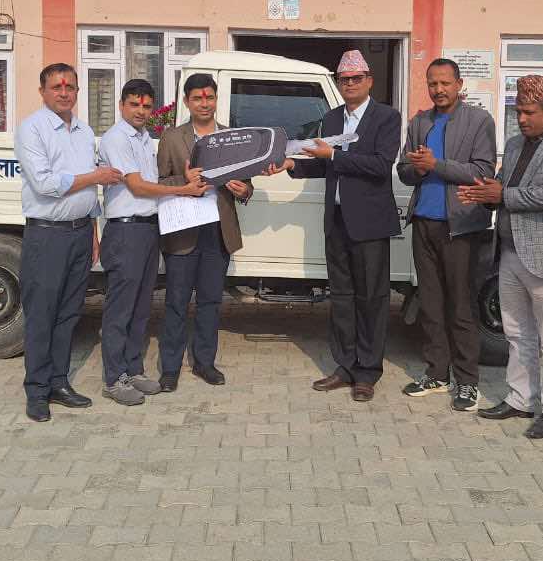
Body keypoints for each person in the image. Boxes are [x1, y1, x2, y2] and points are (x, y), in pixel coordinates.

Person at [265, 49, 401, 402]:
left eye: (356, 78)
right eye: (344, 79)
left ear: (369, 81)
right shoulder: (331, 118)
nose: (350, 84)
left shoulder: (386, 117)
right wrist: (292, 165)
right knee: (341, 297)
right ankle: (345, 366)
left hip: (370, 223)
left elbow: (380, 165)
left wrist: (335, 155)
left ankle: (367, 372)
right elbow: (324, 165)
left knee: (372, 298)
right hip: (337, 220)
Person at [457, 75, 543, 440]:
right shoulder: (513, 145)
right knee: (516, 332)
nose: (522, 119)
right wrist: (483, 193)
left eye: (529, 112)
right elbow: (501, 184)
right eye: (518, 112)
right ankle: (520, 398)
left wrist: (503, 195)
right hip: (509, 252)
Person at [14, 63, 124, 423]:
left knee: (69, 314)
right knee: (42, 315)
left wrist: (92, 232)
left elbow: (88, 193)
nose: (64, 93)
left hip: (79, 234)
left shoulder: (84, 131)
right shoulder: (32, 129)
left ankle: (59, 382)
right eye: (57, 87)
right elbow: (45, 184)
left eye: (71, 87)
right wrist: (95, 176)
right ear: (43, 91)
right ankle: (36, 390)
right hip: (47, 235)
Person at [98, 78, 207, 406]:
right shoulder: (116, 138)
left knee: (141, 307)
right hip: (126, 231)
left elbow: (155, 181)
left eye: (146, 106)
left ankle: (132, 370)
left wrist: (184, 180)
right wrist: (183, 189)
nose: (141, 111)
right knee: (120, 309)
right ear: (121, 105)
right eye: (134, 104)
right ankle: (114, 378)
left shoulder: (146, 139)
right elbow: (138, 186)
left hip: (148, 229)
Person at [396, 58, 496, 412]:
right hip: (424, 222)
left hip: (461, 225)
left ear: (459, 84)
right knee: (431, 304)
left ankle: (467, 381)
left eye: (445, 83)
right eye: (432, 84)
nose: (438, 90)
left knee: (461, 307)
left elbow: (483, 171)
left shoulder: (479, 121)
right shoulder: (420, 121)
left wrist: (435, 165)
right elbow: (403, 170)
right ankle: (437, 374)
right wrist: (418, 169)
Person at [156, 73, 253, 392]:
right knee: (176, 301)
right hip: (183, 229)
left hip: (218, 230)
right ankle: (170, 368)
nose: (204, 103)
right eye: (197, 98)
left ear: (216, 99)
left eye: (209, 97)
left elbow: (247, 184)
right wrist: (184, 183)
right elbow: (160, 182)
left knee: (210, 301)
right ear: (187, 101)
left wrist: (243, 190)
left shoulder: (231, 138)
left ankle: (204, 362)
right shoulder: (172, 138)